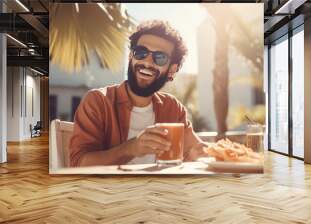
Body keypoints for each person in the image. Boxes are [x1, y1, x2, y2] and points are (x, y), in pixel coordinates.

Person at [69, 20, 207, 167]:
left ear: (171, 70)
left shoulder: (172, 108)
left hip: (161, 189)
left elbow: (198, 150)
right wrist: (131, 149)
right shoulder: (98, 101)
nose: (147, 62)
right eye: (141, 53)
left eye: (160, 58)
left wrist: (200, 154)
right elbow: (79, 163)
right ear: (130, 57)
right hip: (110, 190)